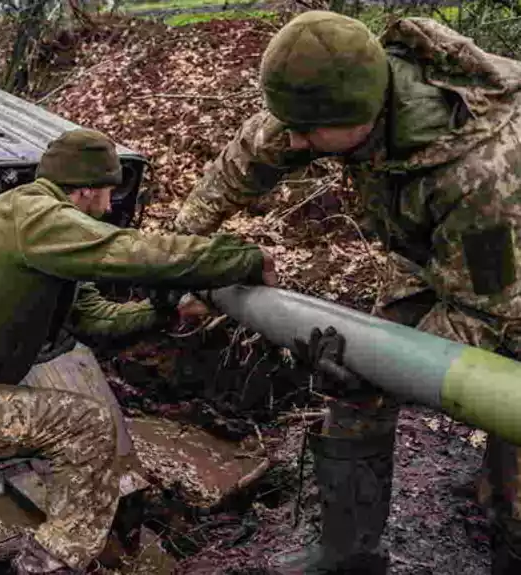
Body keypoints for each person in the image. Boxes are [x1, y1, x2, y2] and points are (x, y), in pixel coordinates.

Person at [172, 10, 521, 574]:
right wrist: (179, 254)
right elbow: (242, 163)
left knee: (512, 446)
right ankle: (349, 551)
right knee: (356, 390)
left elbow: (484, 314)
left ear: (364, 115)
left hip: (507, 275)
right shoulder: (328, 97)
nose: (294, 140)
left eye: (306, 131)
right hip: (429, 255)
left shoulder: (483, 173)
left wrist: (377, 367)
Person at [0, 128, 276, 574]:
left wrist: (164, 311)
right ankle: (48, 563)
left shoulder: (41, 235)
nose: (108, 208)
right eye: (106, 194)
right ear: (84, 189)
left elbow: (97, 321)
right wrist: (238, 258)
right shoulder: (35, 215)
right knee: (88, 425)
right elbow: (126, 250)